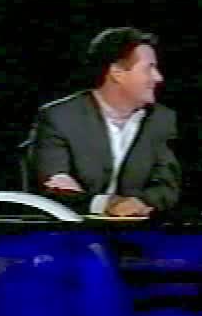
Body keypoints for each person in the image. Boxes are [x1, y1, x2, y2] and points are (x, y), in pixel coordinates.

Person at [29, 27, 181, 217]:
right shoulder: (60, 117)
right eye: (148, 68)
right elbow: (54, 190)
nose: (158, 77)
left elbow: (167, 187)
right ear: (117, 72)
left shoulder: (163, 120)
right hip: (74, 230)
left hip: (142, 229)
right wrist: (105, 204)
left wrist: (141, 202)